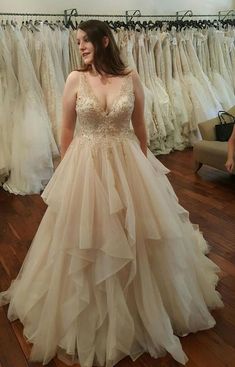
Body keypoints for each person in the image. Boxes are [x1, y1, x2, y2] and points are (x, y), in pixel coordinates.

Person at [0, 20, 223, 367]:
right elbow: (68, 129)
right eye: (77, 42)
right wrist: (67, 174)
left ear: (104, 40)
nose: (80, 47)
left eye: (85, 40)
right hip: (86, 168)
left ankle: (142, 309)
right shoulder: (75, 79)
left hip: (127, 165)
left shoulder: (131, 78)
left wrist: (147, 167)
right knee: (90, 239)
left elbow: (140, 128)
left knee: (134, 235)